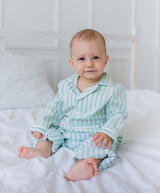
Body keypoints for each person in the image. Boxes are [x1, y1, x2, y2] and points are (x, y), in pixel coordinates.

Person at [18, 29, 127, 182]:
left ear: (105, 60)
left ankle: (85, 164)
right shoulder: (66, 86)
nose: (89, 63)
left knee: (102, 147)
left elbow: (118, 114)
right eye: (82, 59)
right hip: (67, 130)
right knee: (49, 134)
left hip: (94, 133)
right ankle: (41, 152)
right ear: (72, 63)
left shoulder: (113, 89)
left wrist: (107, 132)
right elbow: (54, 108)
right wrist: (42, 124)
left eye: (95, 57)